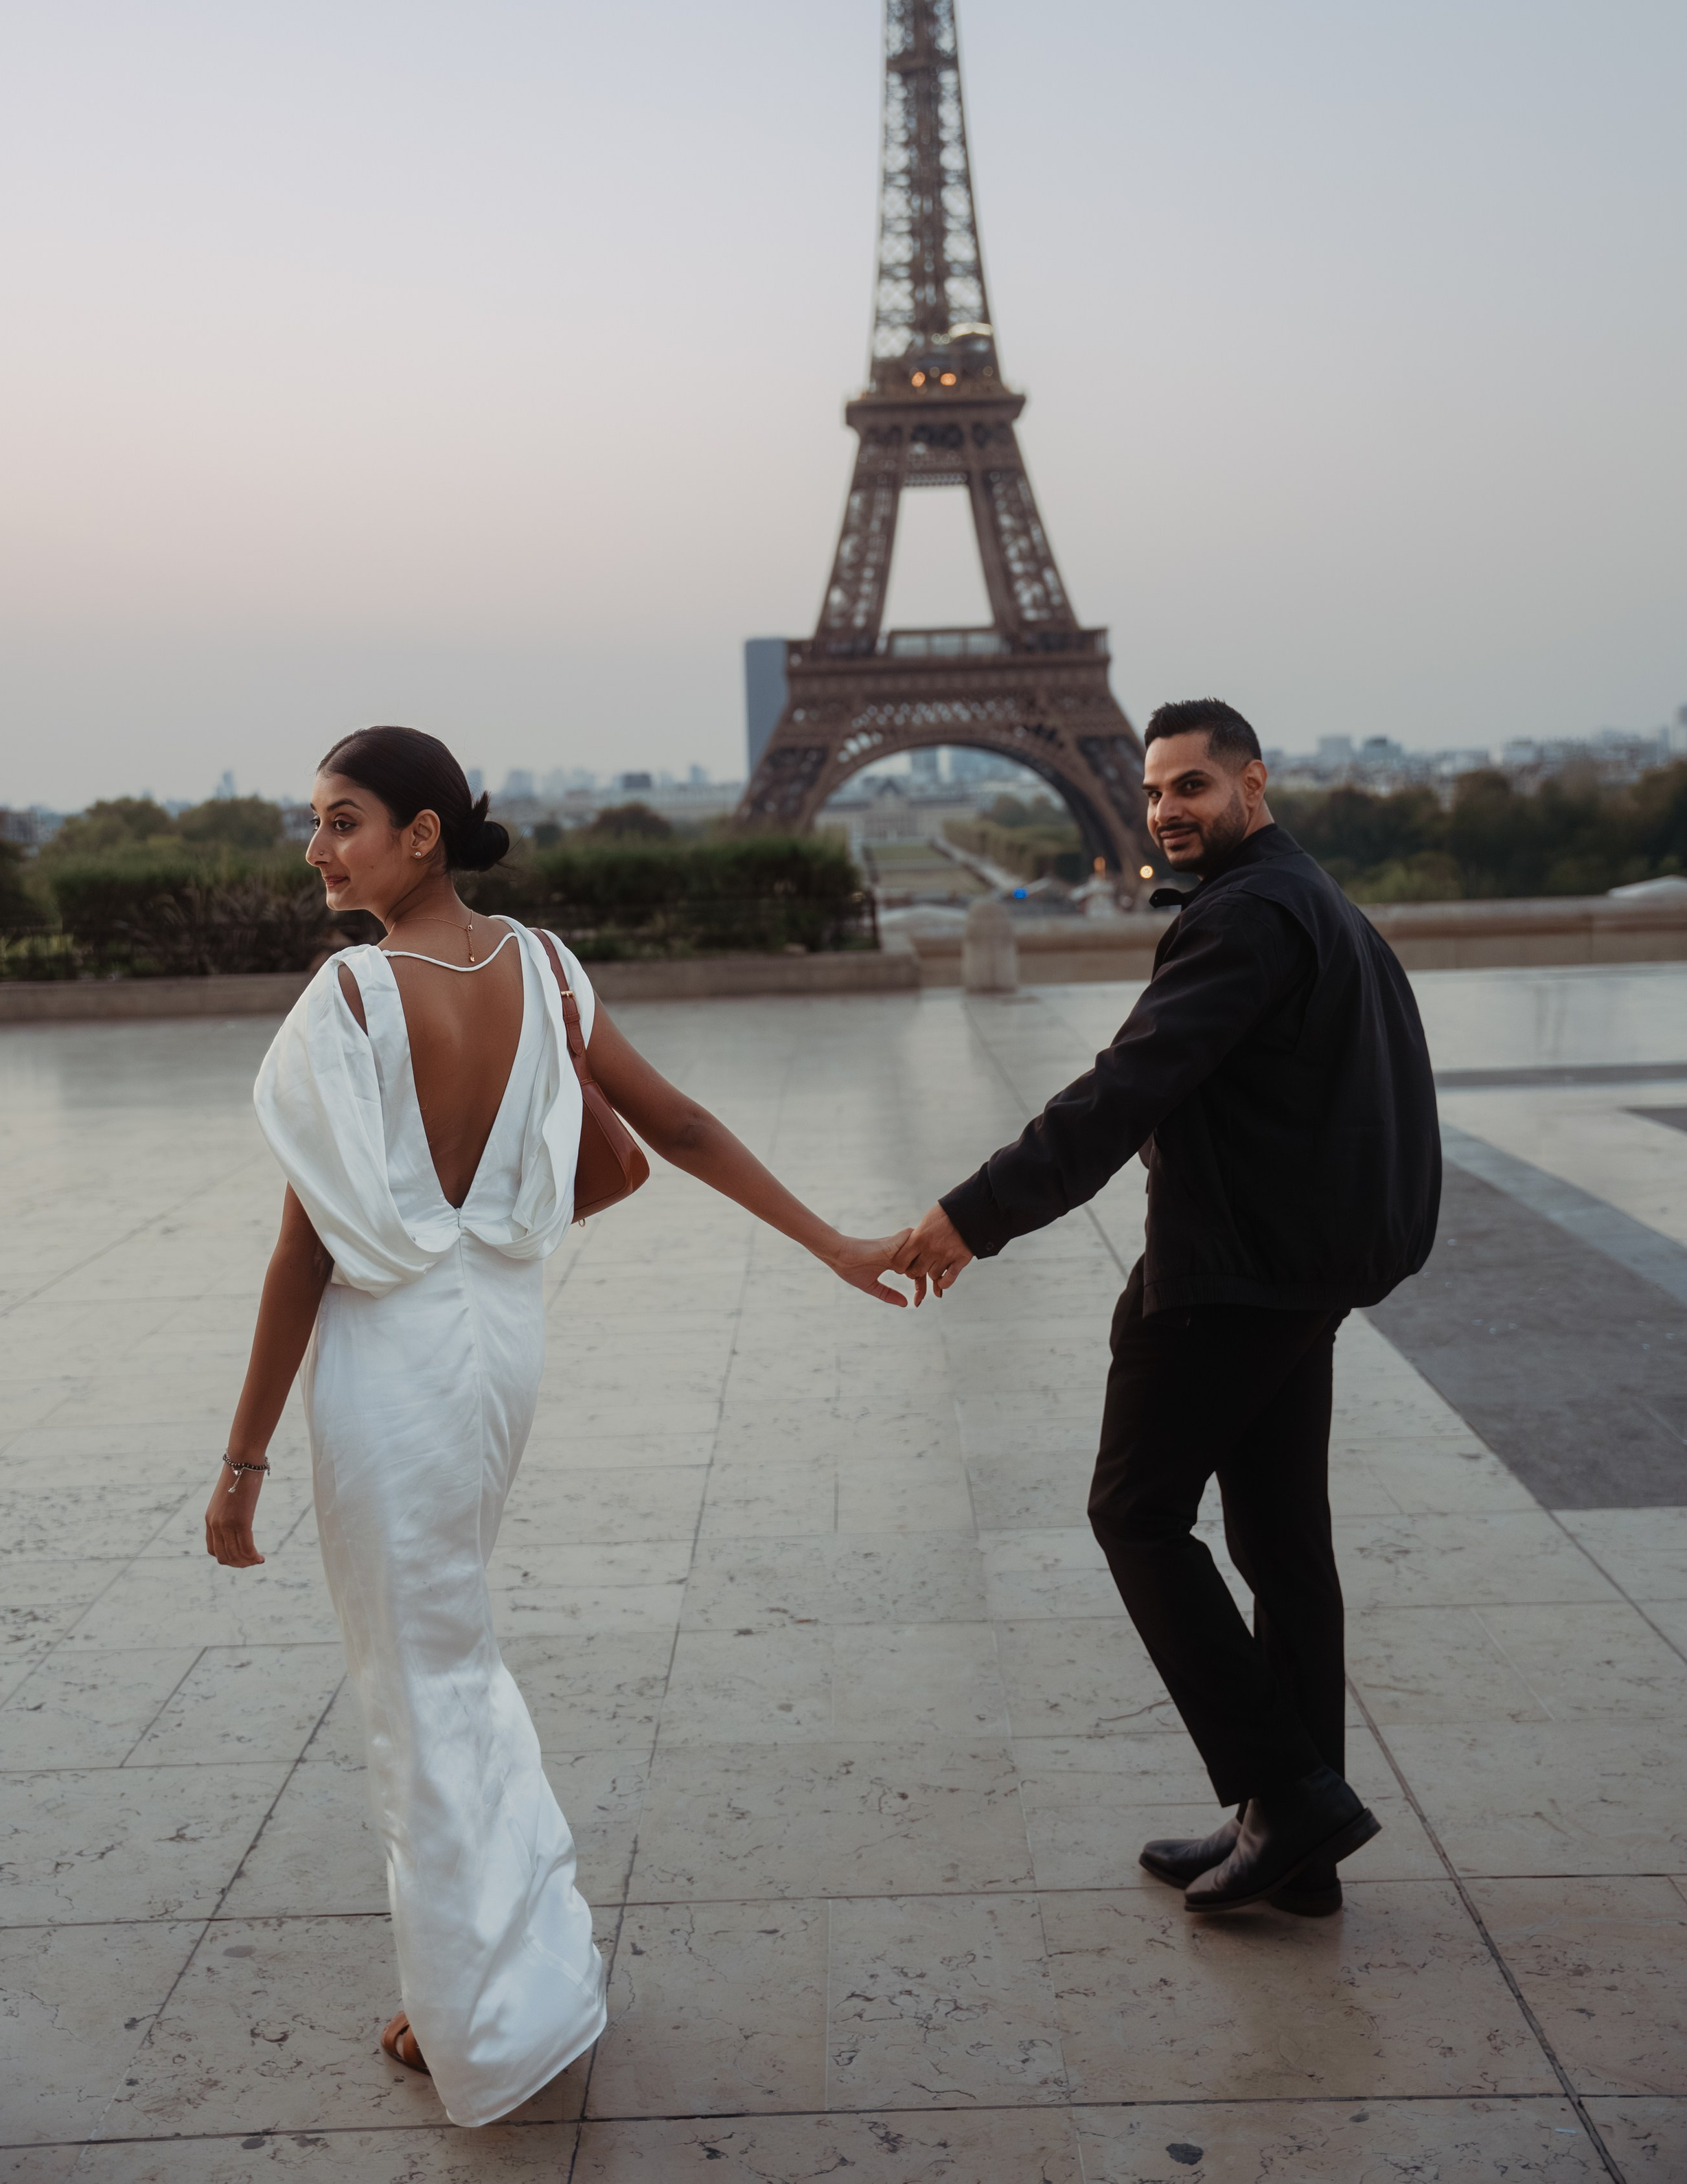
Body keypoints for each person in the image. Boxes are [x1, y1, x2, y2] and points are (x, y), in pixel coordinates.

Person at [205, 725, 909, 2124]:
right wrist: (829, 1241)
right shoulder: (544, 967)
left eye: (342, 819)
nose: (317, 846)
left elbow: (302, 1253)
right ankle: (487, 1963)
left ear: (421, 833)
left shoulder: (350, 993)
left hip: (393, 1358)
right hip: (497, 1350)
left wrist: (241, 1462)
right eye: (315, 821)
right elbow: (683, 1129)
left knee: (416, 1681)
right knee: (450, 1654)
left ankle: (475, 2008)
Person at [896, 698, 1441, 1915]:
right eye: (1153, 792)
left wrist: (971, 1217)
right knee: (1282, 1546)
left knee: (1136, 1513)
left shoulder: (1247, 917)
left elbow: (1126, 1087)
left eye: (1191, 787)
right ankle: (1294, 1836)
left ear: (1255, 782)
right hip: (1305, 1268)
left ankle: (1285, 1793)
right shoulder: (1308, 899)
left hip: (1234, 1269)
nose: (1164, 812)